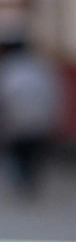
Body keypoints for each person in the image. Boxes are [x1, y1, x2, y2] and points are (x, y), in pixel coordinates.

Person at [0, 38, 61, 195]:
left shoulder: (9, 68)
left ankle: (23, 180)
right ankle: (28, 180)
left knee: (18, 152)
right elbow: (54, 93)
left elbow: (6, 96)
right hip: (38, 118)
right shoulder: (40, 68)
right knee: (32, 152)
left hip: (17, 119)